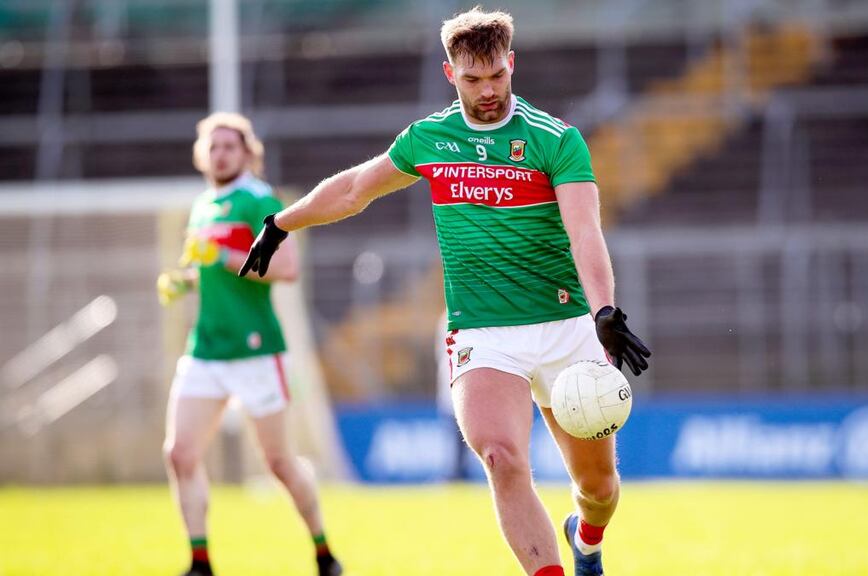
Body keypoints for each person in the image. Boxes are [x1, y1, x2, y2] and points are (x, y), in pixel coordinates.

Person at [239, 8, 651, 576]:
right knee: (502, 458)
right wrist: (282, 222)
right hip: (482, 331)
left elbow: (585, 232)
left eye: (497, 77)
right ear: (448, 73)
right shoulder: (430, 139)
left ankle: (587, 534)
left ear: (512, 64)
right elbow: (356, 189)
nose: (487, 91)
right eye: (472, 79)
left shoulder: (556, 141)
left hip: (565, 326)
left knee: (599, 487)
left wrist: (604, 309)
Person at [159, 112, 343, 576]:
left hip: (257, 350)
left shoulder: (257, 199)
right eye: (213, 145)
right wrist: (187, 282)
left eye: (229, 146)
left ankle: (323, 551)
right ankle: (200, 562)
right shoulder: (203, 204)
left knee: (279, 463)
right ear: (202, 153)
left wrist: (221, 256)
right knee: (179, 454)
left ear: (247, 153)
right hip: (206, 350)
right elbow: (219, 277)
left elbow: (286, 269)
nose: (220, 153)